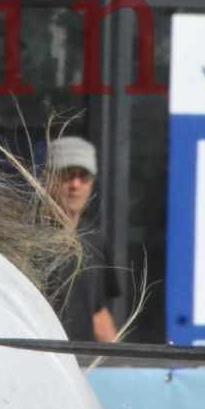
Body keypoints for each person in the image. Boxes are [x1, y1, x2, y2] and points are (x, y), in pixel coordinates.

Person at [46, 136, 121, 344]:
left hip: (83, 366)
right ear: (48, 178)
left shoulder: (95, 240)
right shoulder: (29, 239)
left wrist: (122, 365)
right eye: (67, 176)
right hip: (41, 361)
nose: (75, 185)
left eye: (83, 176)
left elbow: (97, 312)